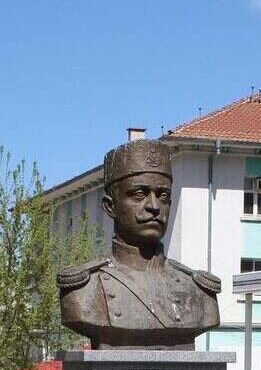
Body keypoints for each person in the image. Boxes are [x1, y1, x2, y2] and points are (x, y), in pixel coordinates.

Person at [56, 138, 220, 350]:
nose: (154, 206)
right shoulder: (85, 288)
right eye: (139, 194)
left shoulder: (198, 292)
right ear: (110, 207)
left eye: (163, 196)